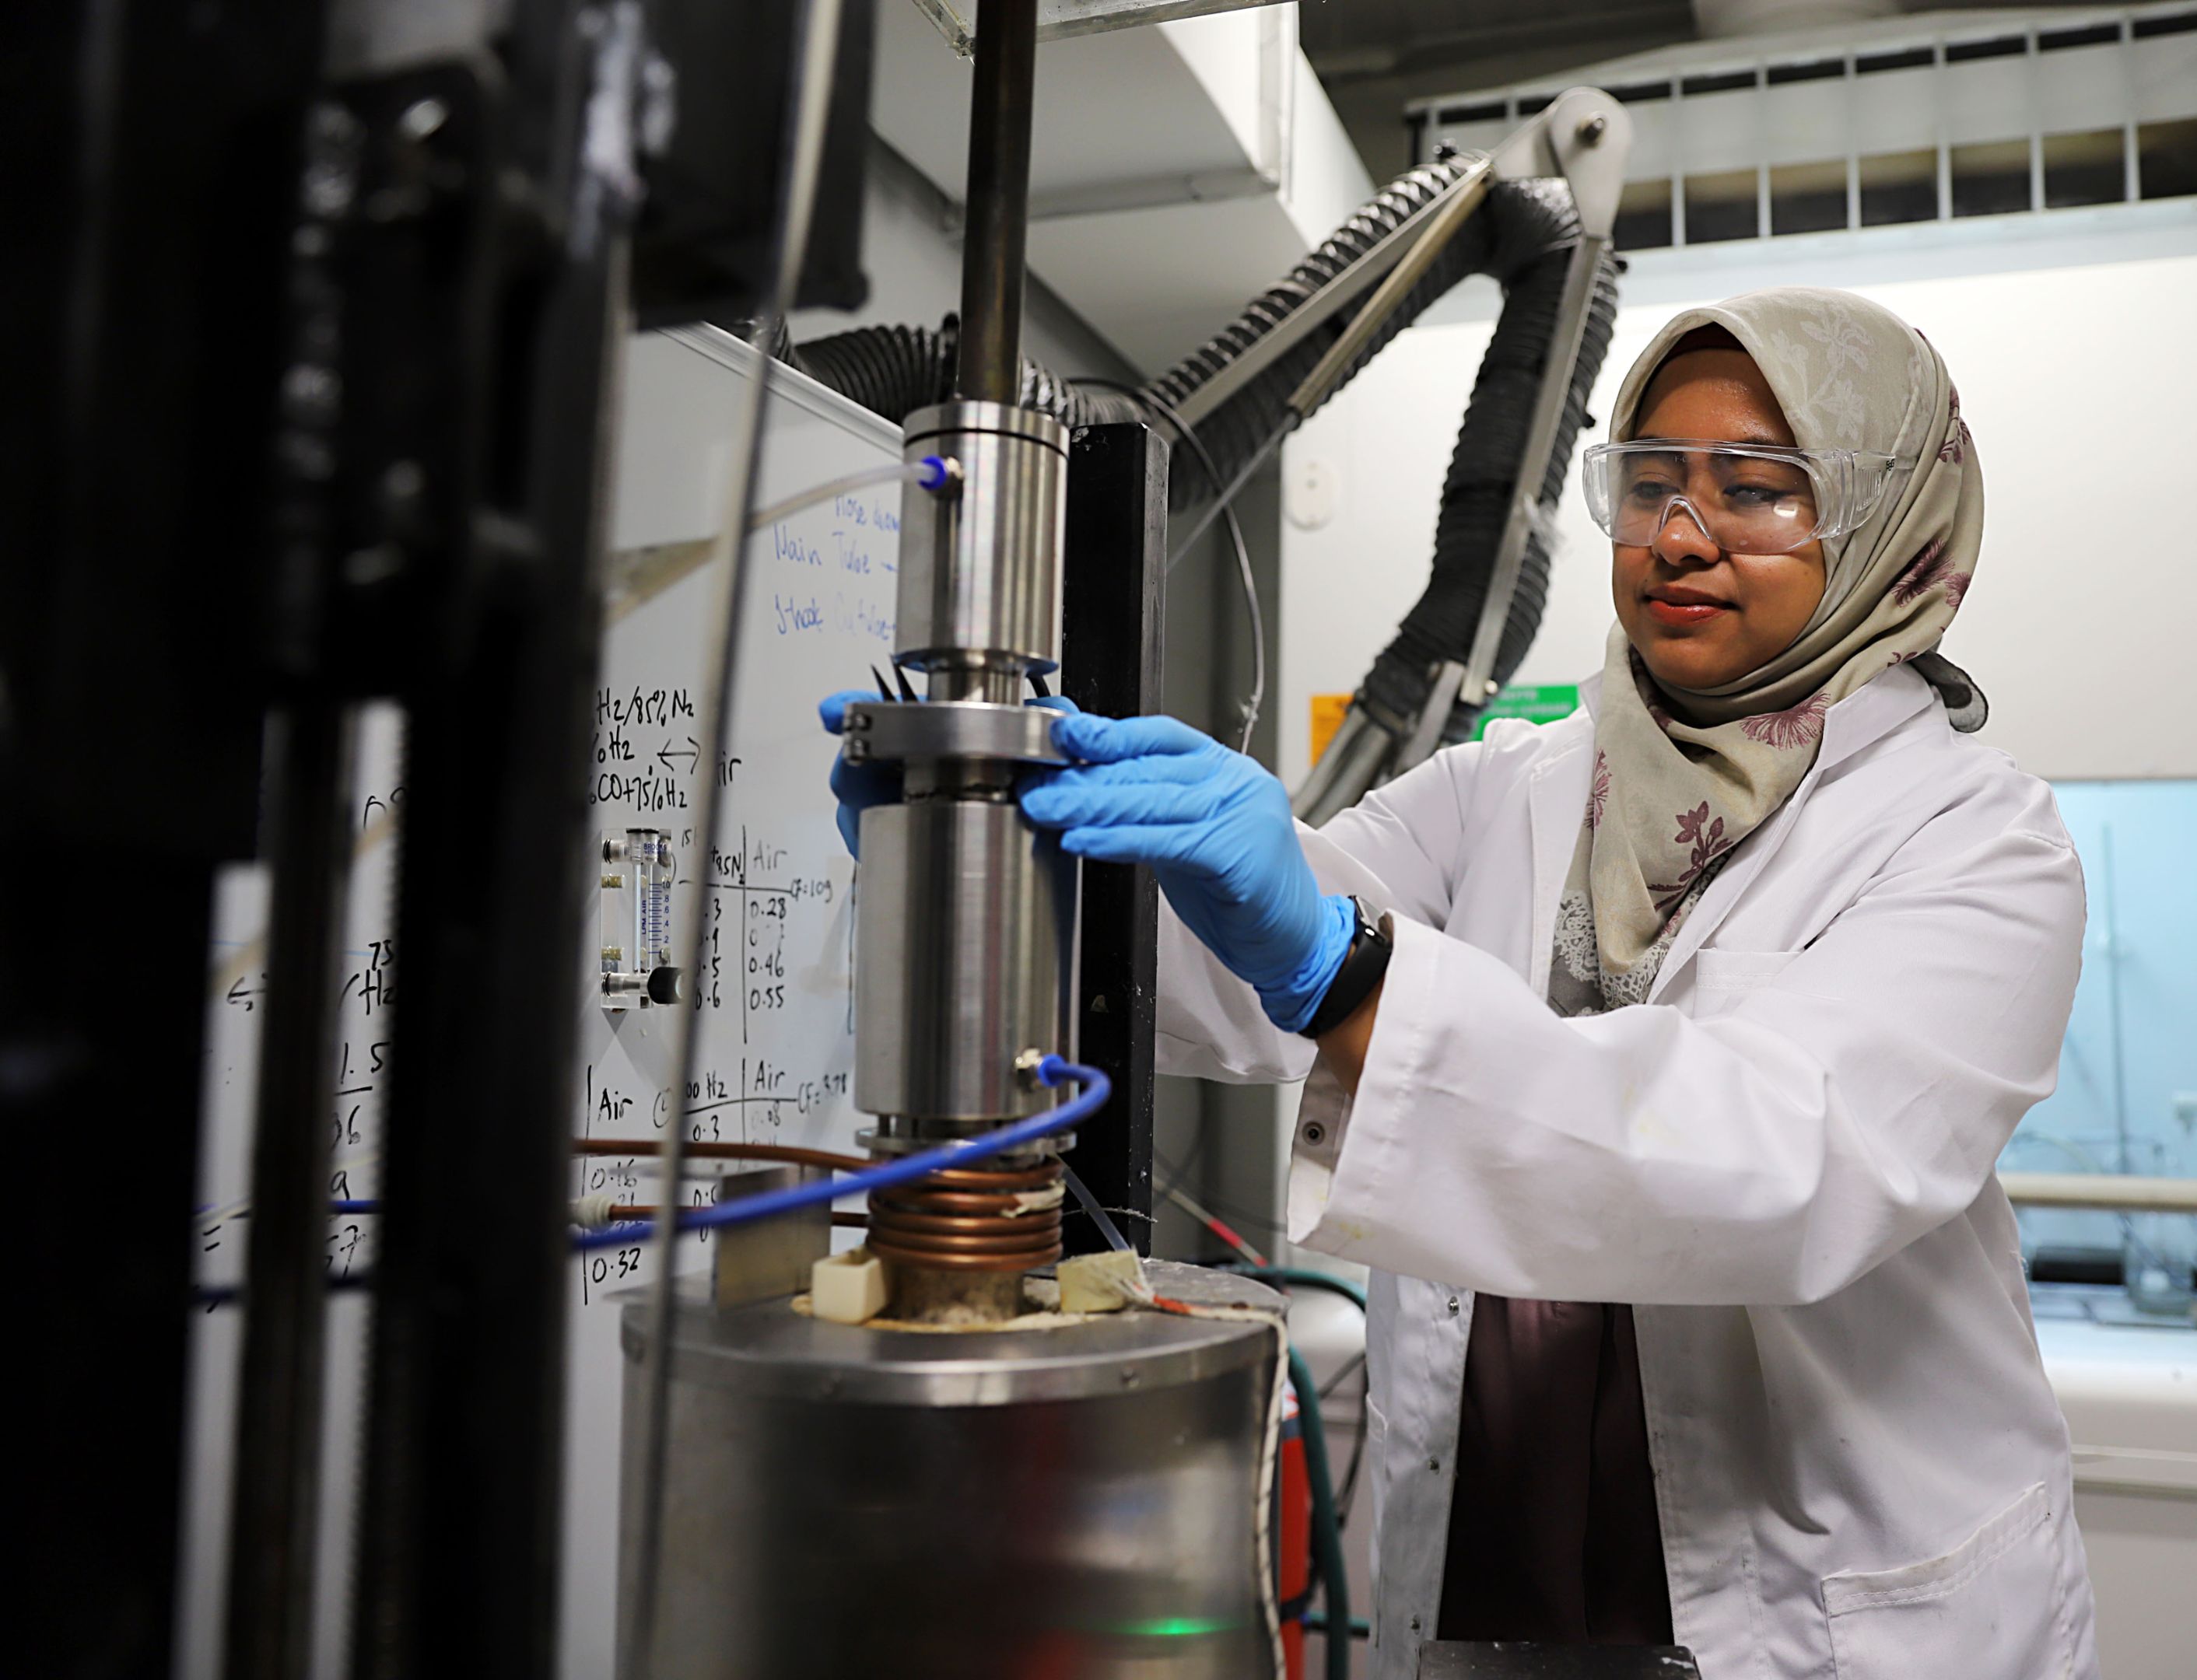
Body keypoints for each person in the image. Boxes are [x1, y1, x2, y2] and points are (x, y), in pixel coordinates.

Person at [824, 286, 2099, 1680]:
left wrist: (1342, 967)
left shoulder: (1975, 839)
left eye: (1757, 490)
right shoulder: (1519, 783)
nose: (1679, 535)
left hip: (1816, 1599)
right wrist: (989, 867)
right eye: (1648, 482)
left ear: (1888, 525)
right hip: (1506, 1563)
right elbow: (1244, 970)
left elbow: (1780, 1157)